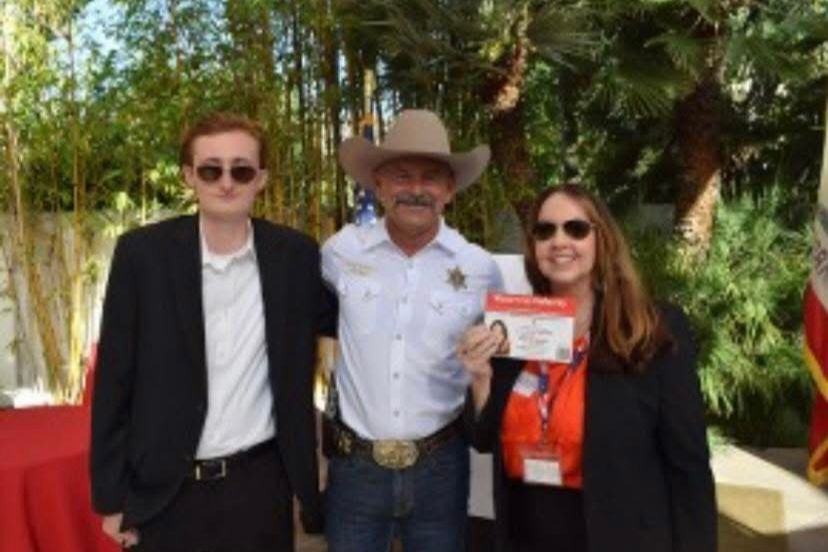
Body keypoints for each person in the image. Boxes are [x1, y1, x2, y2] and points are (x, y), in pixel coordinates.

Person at [90, 112, 336, 551]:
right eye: (211, 169)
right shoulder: (142, 256)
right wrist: (112, 499)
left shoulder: (295, 257)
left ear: (261, 178)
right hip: (165, 491)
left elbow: (351, 319)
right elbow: (113, 381)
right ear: (189, 176)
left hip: (259, 485)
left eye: (241, 170)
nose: (227, 182)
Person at [457, 183, 716, 552]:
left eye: (575, 229)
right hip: (526, 536)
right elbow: (482, 439)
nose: (559, 241)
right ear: (533, 246)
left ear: (602, 239)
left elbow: (688, 465)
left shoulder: (653, 329)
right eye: (545, 231)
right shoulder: (513, 329)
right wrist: (480, 378)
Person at [322, 109, 504, 552]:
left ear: (449, 191)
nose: (416, 190)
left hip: (441, 467)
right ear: (378, 185)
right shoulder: (339, 252)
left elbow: (502, 357)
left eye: (430, 178)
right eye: (401, 176)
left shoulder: (480, 268)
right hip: (355, 468)